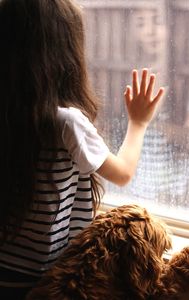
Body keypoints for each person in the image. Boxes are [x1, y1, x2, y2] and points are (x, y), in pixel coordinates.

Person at [0, 0, 164, 299]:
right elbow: (123, 173)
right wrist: (138, 122)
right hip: (38, 281)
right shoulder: (65, 123)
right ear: (64, 52)